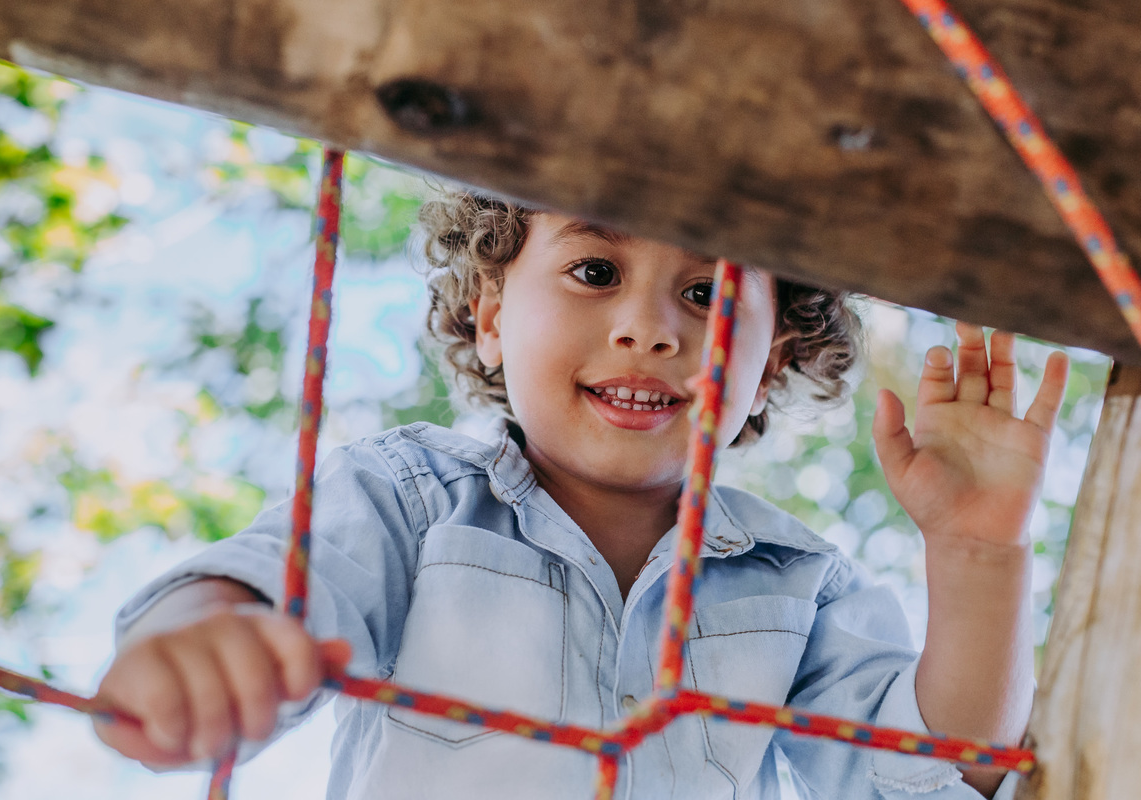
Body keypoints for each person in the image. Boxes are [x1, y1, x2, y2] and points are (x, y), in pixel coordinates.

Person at [92, 191, 1069, 800]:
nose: (650, 326)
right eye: (595, 270)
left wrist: (979, 555)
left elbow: (931, 773)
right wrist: (198, 636)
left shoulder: (801, 583)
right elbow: (278, 581)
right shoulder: (411, 497)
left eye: (708, 295)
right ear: (488, 316)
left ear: (769, 363)